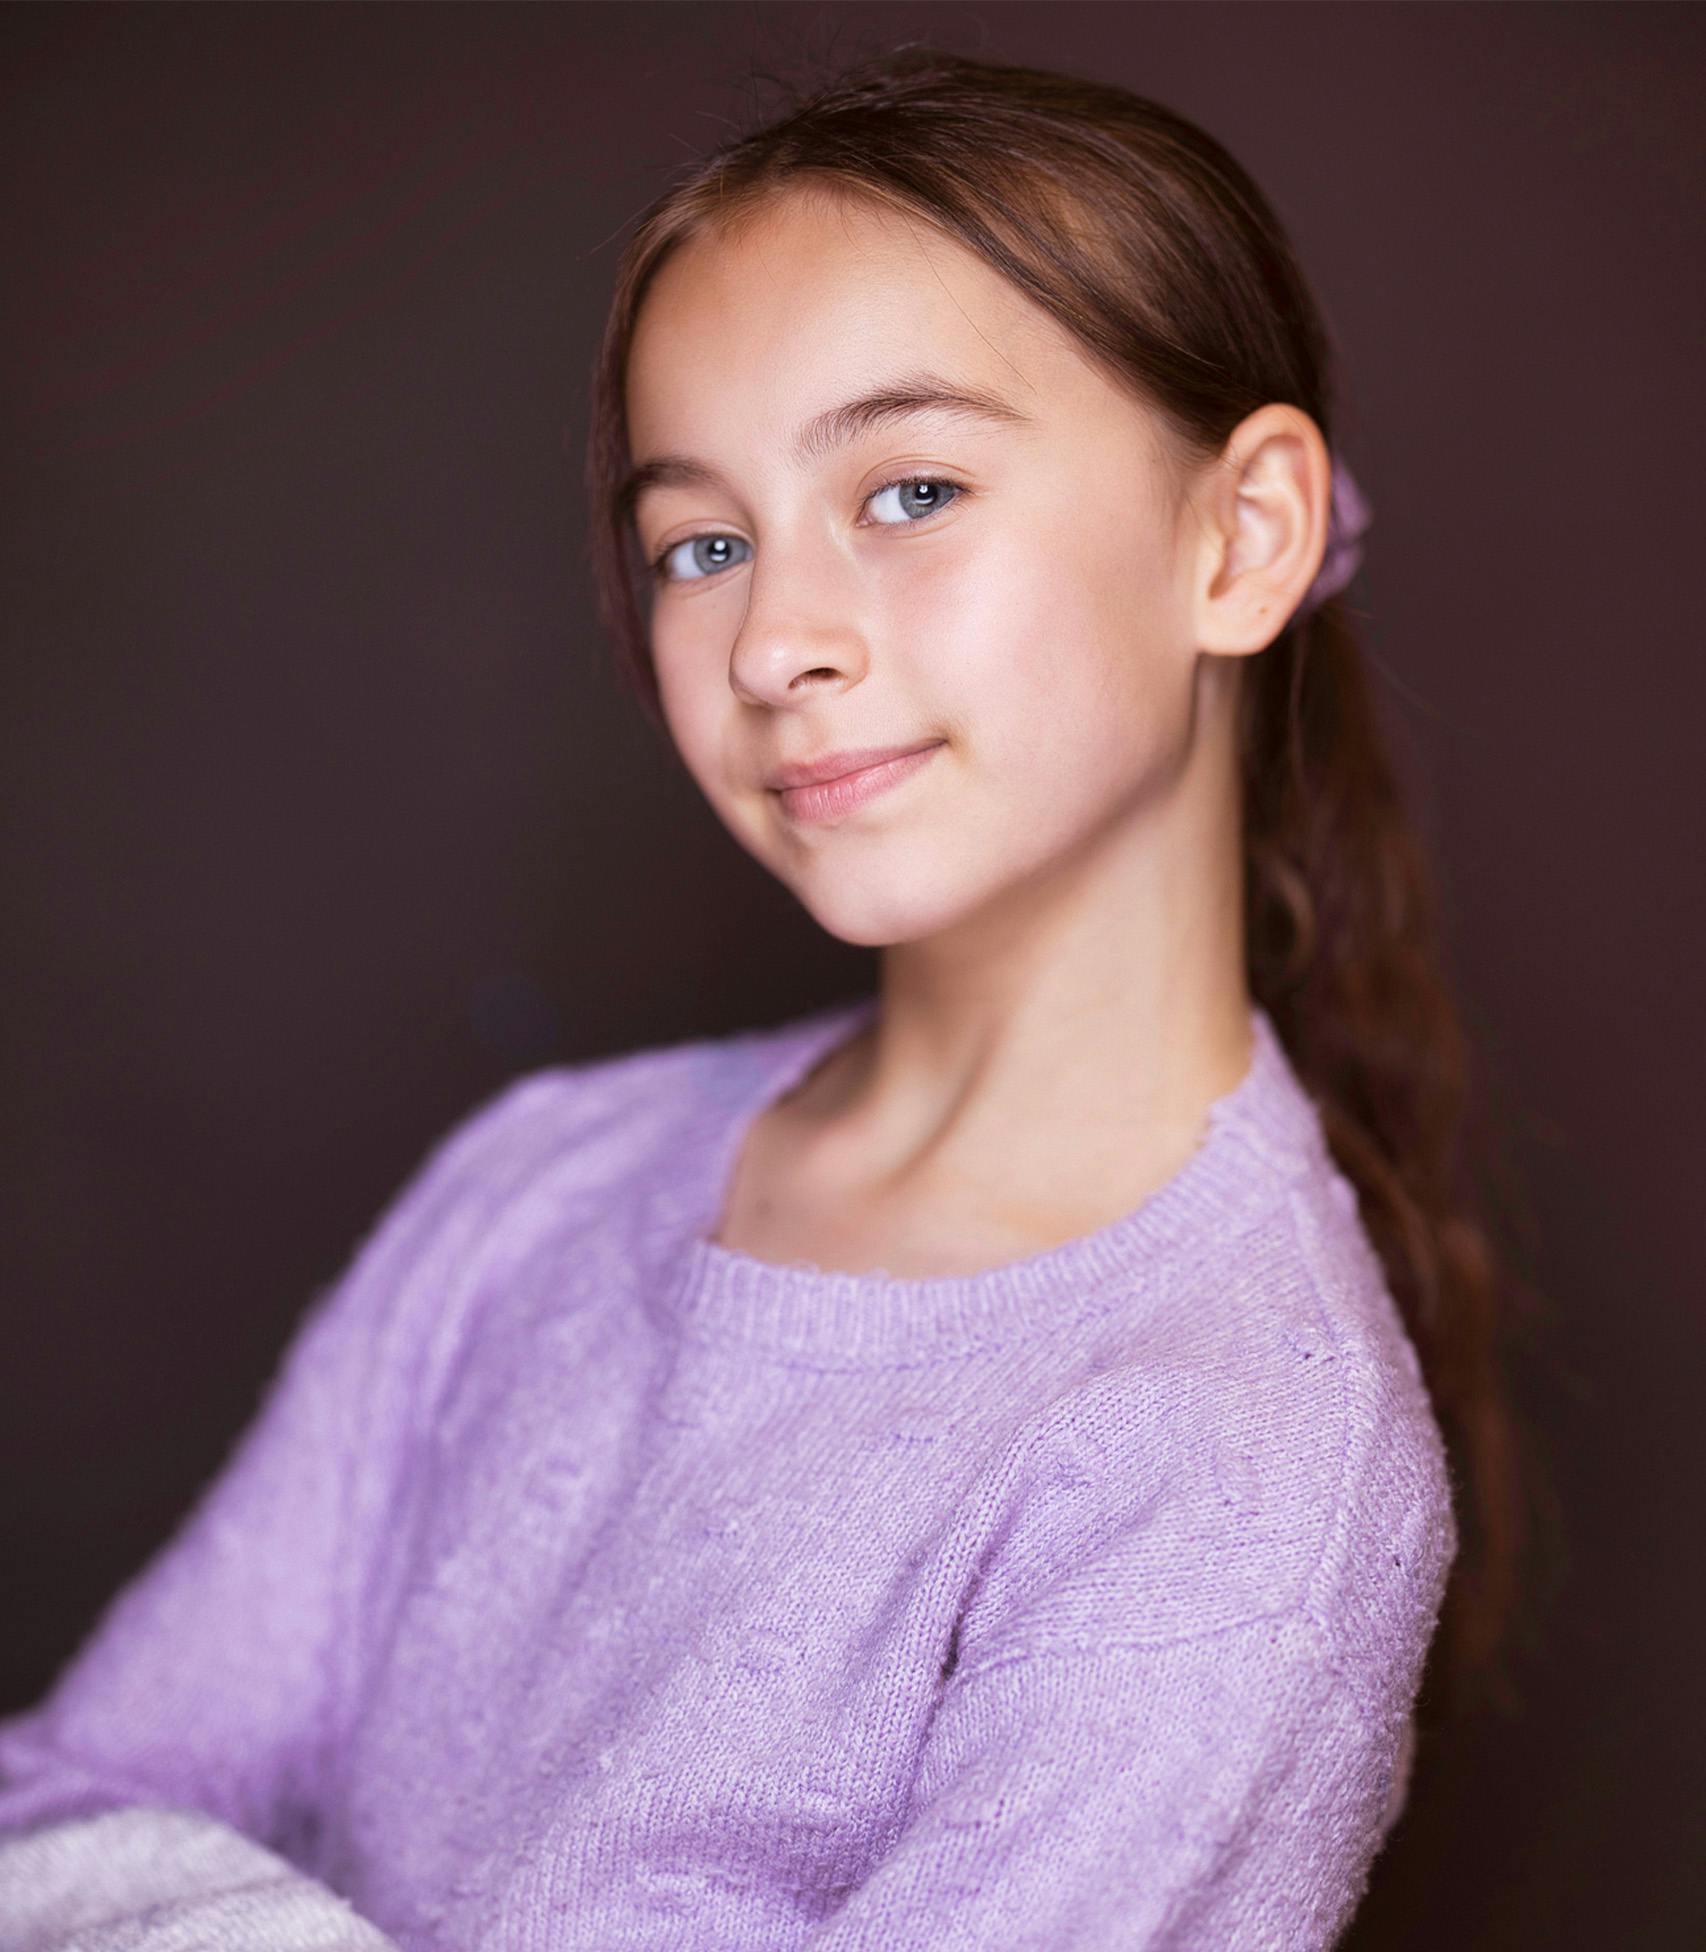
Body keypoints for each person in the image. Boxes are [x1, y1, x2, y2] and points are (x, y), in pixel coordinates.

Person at [0, 43, 1526, 1951]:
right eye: (700, 544)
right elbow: (57, 1803)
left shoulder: (1233, 1473)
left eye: (906, 490)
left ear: (1241, 537)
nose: (776, 640)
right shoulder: (539, 1186)